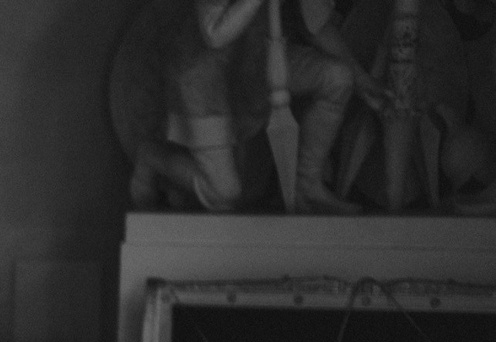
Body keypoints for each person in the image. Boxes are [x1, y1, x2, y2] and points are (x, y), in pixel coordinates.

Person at [131, 0, 385, 211]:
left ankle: (307, 184)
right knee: (223, 192)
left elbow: (316, 26)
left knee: (337, 78)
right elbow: (214, 34)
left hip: (258, 63)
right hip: (204, 76)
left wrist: (361, 79)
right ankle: (153, 157)